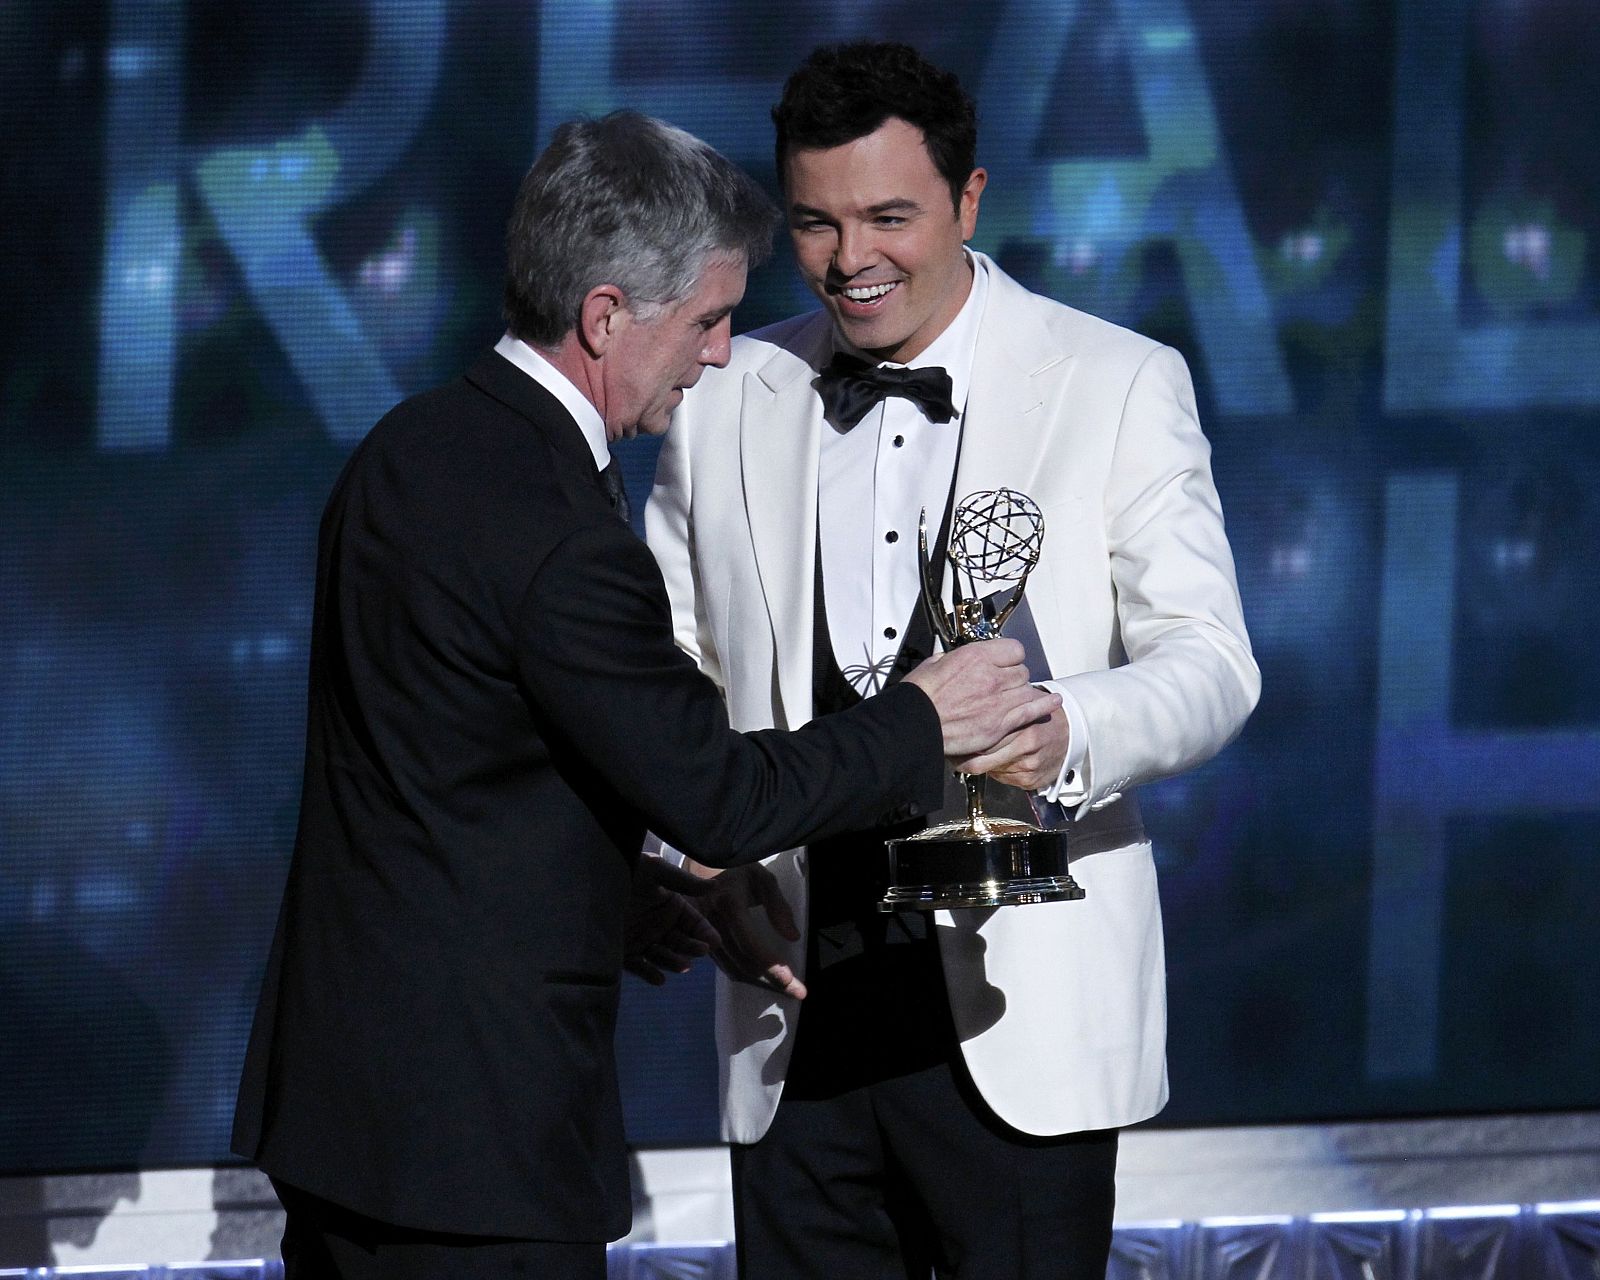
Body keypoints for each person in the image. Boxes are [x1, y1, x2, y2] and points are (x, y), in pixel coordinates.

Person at [231, 110, 1058, 1280]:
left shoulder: (406, 449)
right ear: (607, 314)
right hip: (475, 1147)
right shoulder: (564, 530)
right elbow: (720, 793)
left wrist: (617, 888)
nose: (719, 354)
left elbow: (443, 762)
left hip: (345, 1114)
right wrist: (926, 715)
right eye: (709, 318)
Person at [645, 43, 1261, 1280]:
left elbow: (1208, 661)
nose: (850, 257)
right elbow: (663, 662)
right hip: (793, 1008)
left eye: (889, 216)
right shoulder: (724, 391)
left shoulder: (1115, 379)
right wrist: (681, 849)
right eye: (815, 223)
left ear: (969, 200)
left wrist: (1064, 728)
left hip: (1020, 1015)